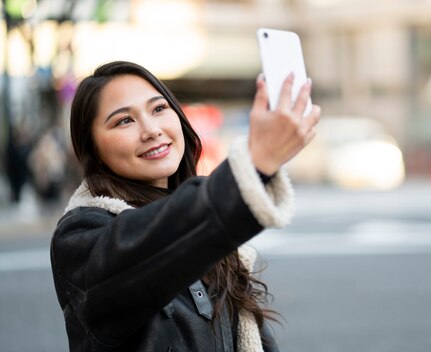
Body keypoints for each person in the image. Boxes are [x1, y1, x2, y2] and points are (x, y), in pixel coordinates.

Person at [50, 61, 320, 351]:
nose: (152, 130)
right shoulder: (82, 237)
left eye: (159, 108)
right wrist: (255, 164)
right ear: (93, 150)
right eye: (124, 121)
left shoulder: (211, 238)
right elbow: (148, 244)